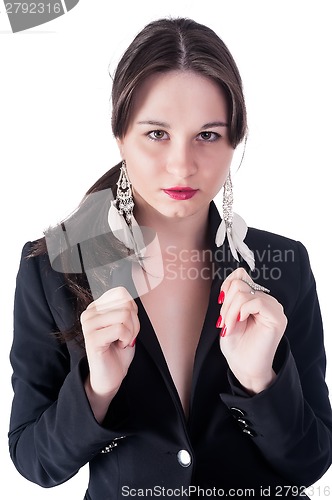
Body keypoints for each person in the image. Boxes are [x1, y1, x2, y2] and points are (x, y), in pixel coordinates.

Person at [8, 17, 332, 499]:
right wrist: (96, 390)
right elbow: (34, 460)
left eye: (207, 135)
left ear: (234, 141)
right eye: (157, 134)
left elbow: (312, 459)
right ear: (120, 136)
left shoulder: (282, 262)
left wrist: (260, 381)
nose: (181, 165)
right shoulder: (55, 264)